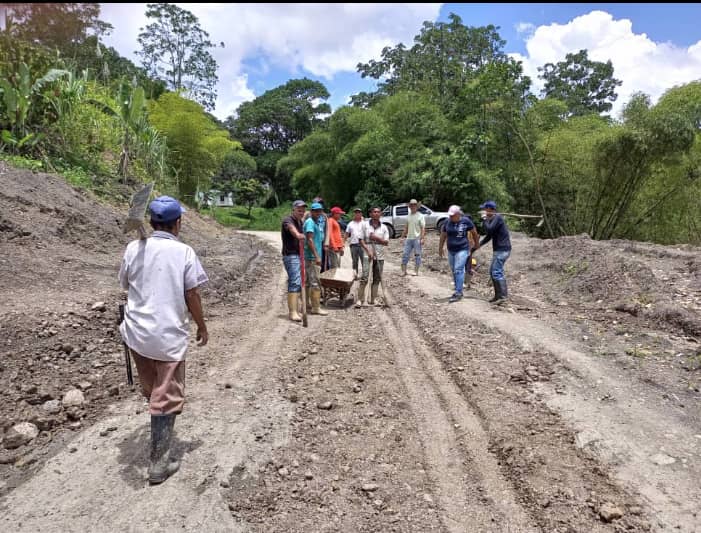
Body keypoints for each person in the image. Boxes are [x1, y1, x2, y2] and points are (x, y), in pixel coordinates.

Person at [118, 196, 209, 485]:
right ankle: (158, 462)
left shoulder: (134, 248)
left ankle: (156, 416)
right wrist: (202, 325)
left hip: (136, 333)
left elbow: (124, 283)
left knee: (153, 389)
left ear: (152, 222)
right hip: (166, 336)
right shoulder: (183, 252)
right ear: (177, 223)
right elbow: (192, 294)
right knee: (165, 397)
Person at [439, 205, 480, 303]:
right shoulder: (447, 222)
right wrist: (440, 248)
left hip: (463, 249)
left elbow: (474, 232)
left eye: (453, 215)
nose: (451, 217)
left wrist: (477, 244)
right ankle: (458, 287)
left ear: (458, 214)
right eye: (450, 215)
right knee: (454, 270)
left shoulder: (466, 221)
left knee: (458, 269)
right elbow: (443, 235)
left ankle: (458, 292)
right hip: (451, 250)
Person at [478, 200, 512, 303]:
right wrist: (477, 245)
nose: (483, 210)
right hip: (499, 250)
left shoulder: (497, 218)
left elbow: (489, 229)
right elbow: (489, 236)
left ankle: (503, 297)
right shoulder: (493, 219)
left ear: (490, 209)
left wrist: (484, 218)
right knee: (493, 272)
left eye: (485, 209)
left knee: (496, 272)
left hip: (502, 249)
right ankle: (498, 296)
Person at [281, 199, 307, 321]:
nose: (301, 212)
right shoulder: (288, 220)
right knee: (295, 281)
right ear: (293, 210)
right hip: (290, 256)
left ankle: (297, 309)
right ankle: (293, 312)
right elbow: (292, 229)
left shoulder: (300, 222)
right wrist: (298, 235)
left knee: (300, 280)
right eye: (299, 210)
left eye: (303, 210)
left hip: (299, 255)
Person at [304, 202, 329, 315]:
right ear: (312, 211)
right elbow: (309, 240)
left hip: (312, 256)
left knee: (309, 281)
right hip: (312, 257)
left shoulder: (316, 221)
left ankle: (307, 304)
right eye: (316, 211)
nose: (319, 213)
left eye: (320, 211)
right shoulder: (310, 222)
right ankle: (316, 308)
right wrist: (317, 255)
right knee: (315, 282)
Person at [345, 207, 371, 306]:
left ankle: (364, 275)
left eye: (359, 212)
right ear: (354, 214)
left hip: (362, 245)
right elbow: (347, 234)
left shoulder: (364, 223)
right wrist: (344, 243)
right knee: (354, 261)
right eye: (356, 212)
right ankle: (355, 275)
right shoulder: (350, 224)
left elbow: (368, 232)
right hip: (353, 244)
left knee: (364, 261)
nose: (357, 214)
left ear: (361, 213)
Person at [367, 206, 390, 306]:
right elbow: (361, 239)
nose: (376, 213)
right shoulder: (365, 225)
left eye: (378, 212)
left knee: (377, 277)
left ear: (380, 214)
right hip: (367, 254)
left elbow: (386, 242)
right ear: (371, 214)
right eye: (374, 212)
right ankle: (362, 298)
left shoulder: (384, 227)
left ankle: (373, 298)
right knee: (365, 277)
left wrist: (375, 238)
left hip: (379, 255)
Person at [400, 199, 425, 276]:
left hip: (417, 238)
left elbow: (423, 228)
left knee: (417, 255)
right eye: (411, 205)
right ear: (410, 207)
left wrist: (422, 238)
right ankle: (404, 271)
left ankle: (416, 271)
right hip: (409, 238)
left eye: (414, 205)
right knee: (405, 254)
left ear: (417, 206)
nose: (413, 206)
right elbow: (406, 227)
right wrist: (402, 237)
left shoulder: (420, 216)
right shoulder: (408, 216)